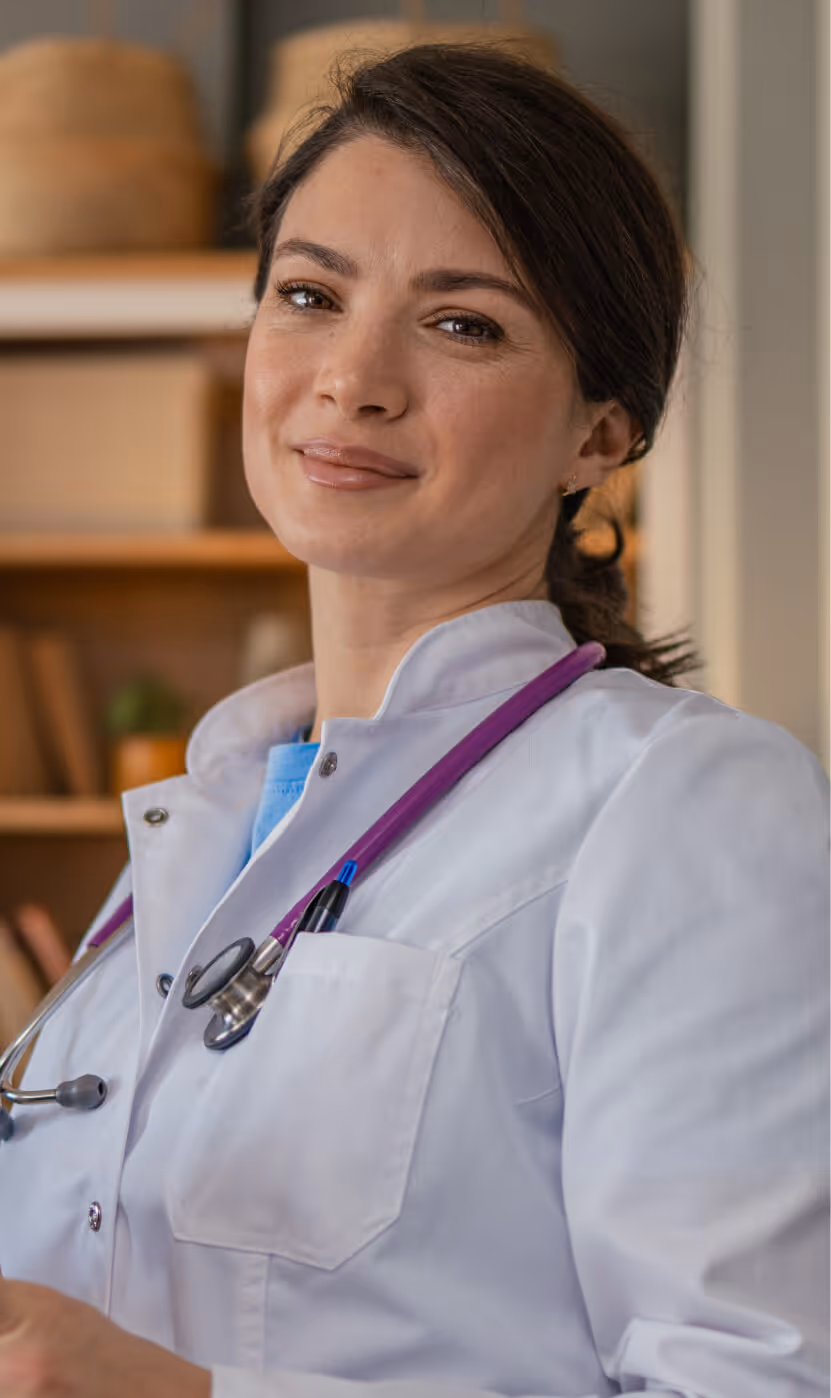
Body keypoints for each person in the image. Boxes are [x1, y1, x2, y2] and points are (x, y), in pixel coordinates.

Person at [0, 41, 827, 1398]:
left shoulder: (679, 802)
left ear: (599, 436)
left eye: (462, 324)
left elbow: (752, 1382)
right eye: (311, 294)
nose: (353, 377)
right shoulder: (201, 823)